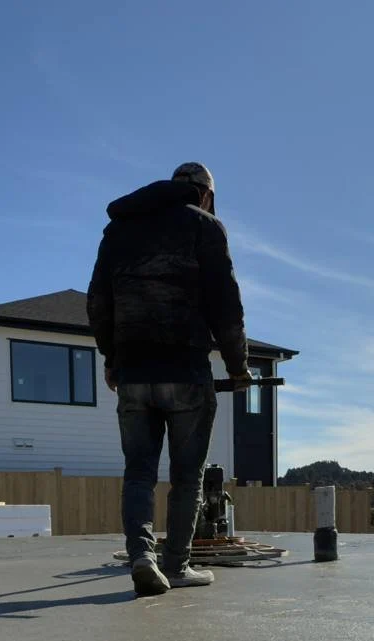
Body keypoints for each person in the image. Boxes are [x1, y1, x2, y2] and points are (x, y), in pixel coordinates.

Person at [87, 161, 255, 597]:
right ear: (205, 194)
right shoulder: (205, 226)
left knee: (139, 473)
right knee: (187, 477)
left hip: (134, 374)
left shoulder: (119, 231)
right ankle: (176, 566)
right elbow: (227, 306)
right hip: (185, 371)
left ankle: (142, 556)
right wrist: (238, 368)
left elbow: (99, 303)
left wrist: (112, 360)